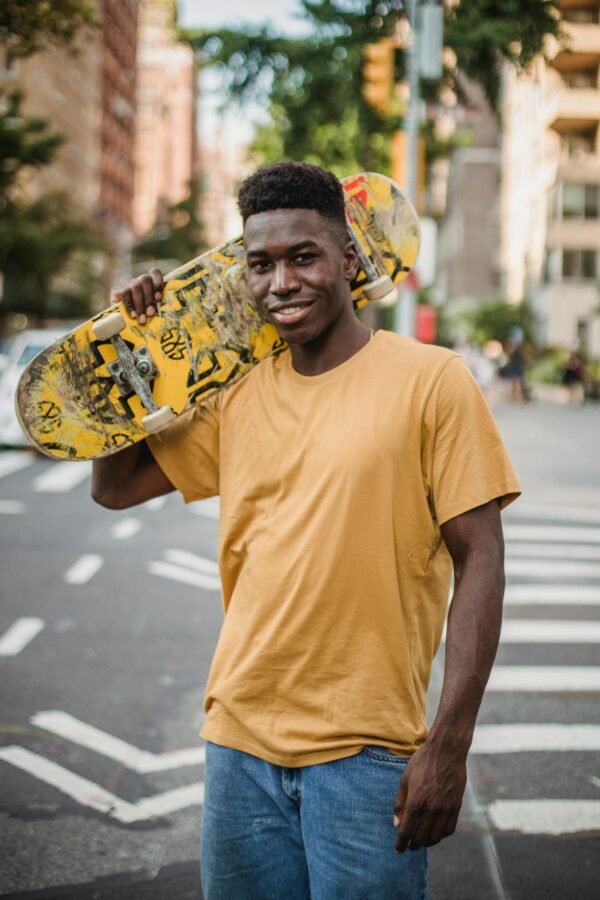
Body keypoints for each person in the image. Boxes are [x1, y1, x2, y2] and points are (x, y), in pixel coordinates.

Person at [92, 162, 521, 900]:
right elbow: (115, 487)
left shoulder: (432, 381)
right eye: (260, 264)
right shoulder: (234, 396)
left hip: (367, 753)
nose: (280, 283)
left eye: (303, 257)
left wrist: (448, 746)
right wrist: (136, 351)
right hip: (237, 746)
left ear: (349, 259)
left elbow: (480, 557)